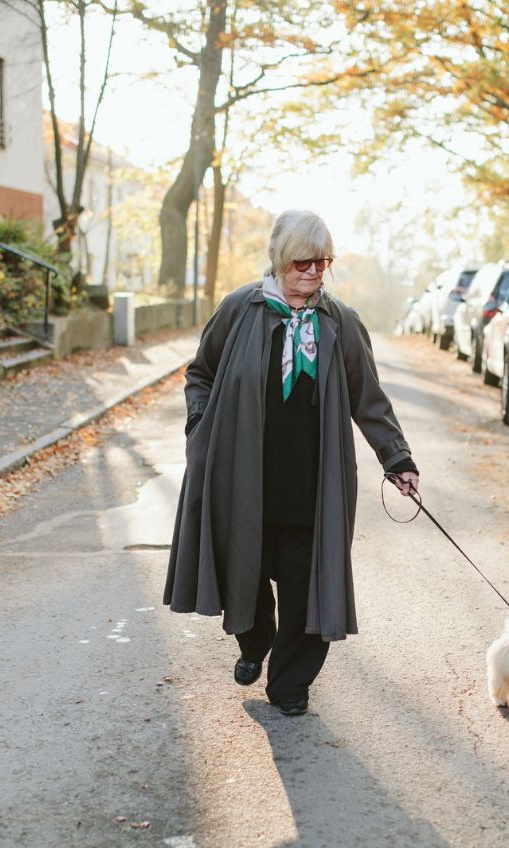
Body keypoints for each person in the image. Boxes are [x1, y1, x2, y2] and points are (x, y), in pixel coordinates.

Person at [163, 209, 419, 716]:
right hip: (244, 477)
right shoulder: (240, 309)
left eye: (323, 262)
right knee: (245, 573)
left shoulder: (340, 322)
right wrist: (199, 428)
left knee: (306, 586)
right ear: (280, 258)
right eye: (304, 261)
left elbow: (368, 397)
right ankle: (255, 641)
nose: (314, 272)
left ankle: (290, 683)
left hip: (311, 484)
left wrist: (397, 457)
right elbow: (201, 373)